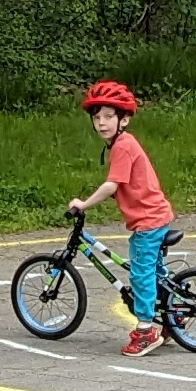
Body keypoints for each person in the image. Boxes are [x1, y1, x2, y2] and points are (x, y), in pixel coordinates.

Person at [66, 80, 175, 358]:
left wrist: (83, 204)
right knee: (154, 272)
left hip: (148, 221)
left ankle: (146, 331)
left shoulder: (122, 146)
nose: (101, 122)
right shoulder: (122, 144)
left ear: (123, 119)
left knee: (140, 273)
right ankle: (173, 318)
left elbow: (112, 185)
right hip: (156, 214)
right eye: (96, 117)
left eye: (108, 116)